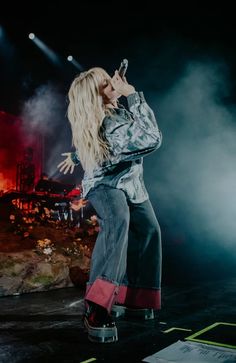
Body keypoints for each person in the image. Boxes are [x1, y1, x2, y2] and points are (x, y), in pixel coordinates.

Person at [58, 67, 162, 343]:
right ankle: (97, 306)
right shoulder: (108, 120)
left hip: (130, 184)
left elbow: (96, 142)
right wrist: (132, 94)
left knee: (149, 230)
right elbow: (151, 139)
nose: (115, 83)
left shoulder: (111, 115)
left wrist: (75, 156)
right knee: (118, 222)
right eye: (107, 83)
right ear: (96, 96)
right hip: (106, 184)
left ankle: (135, 298)